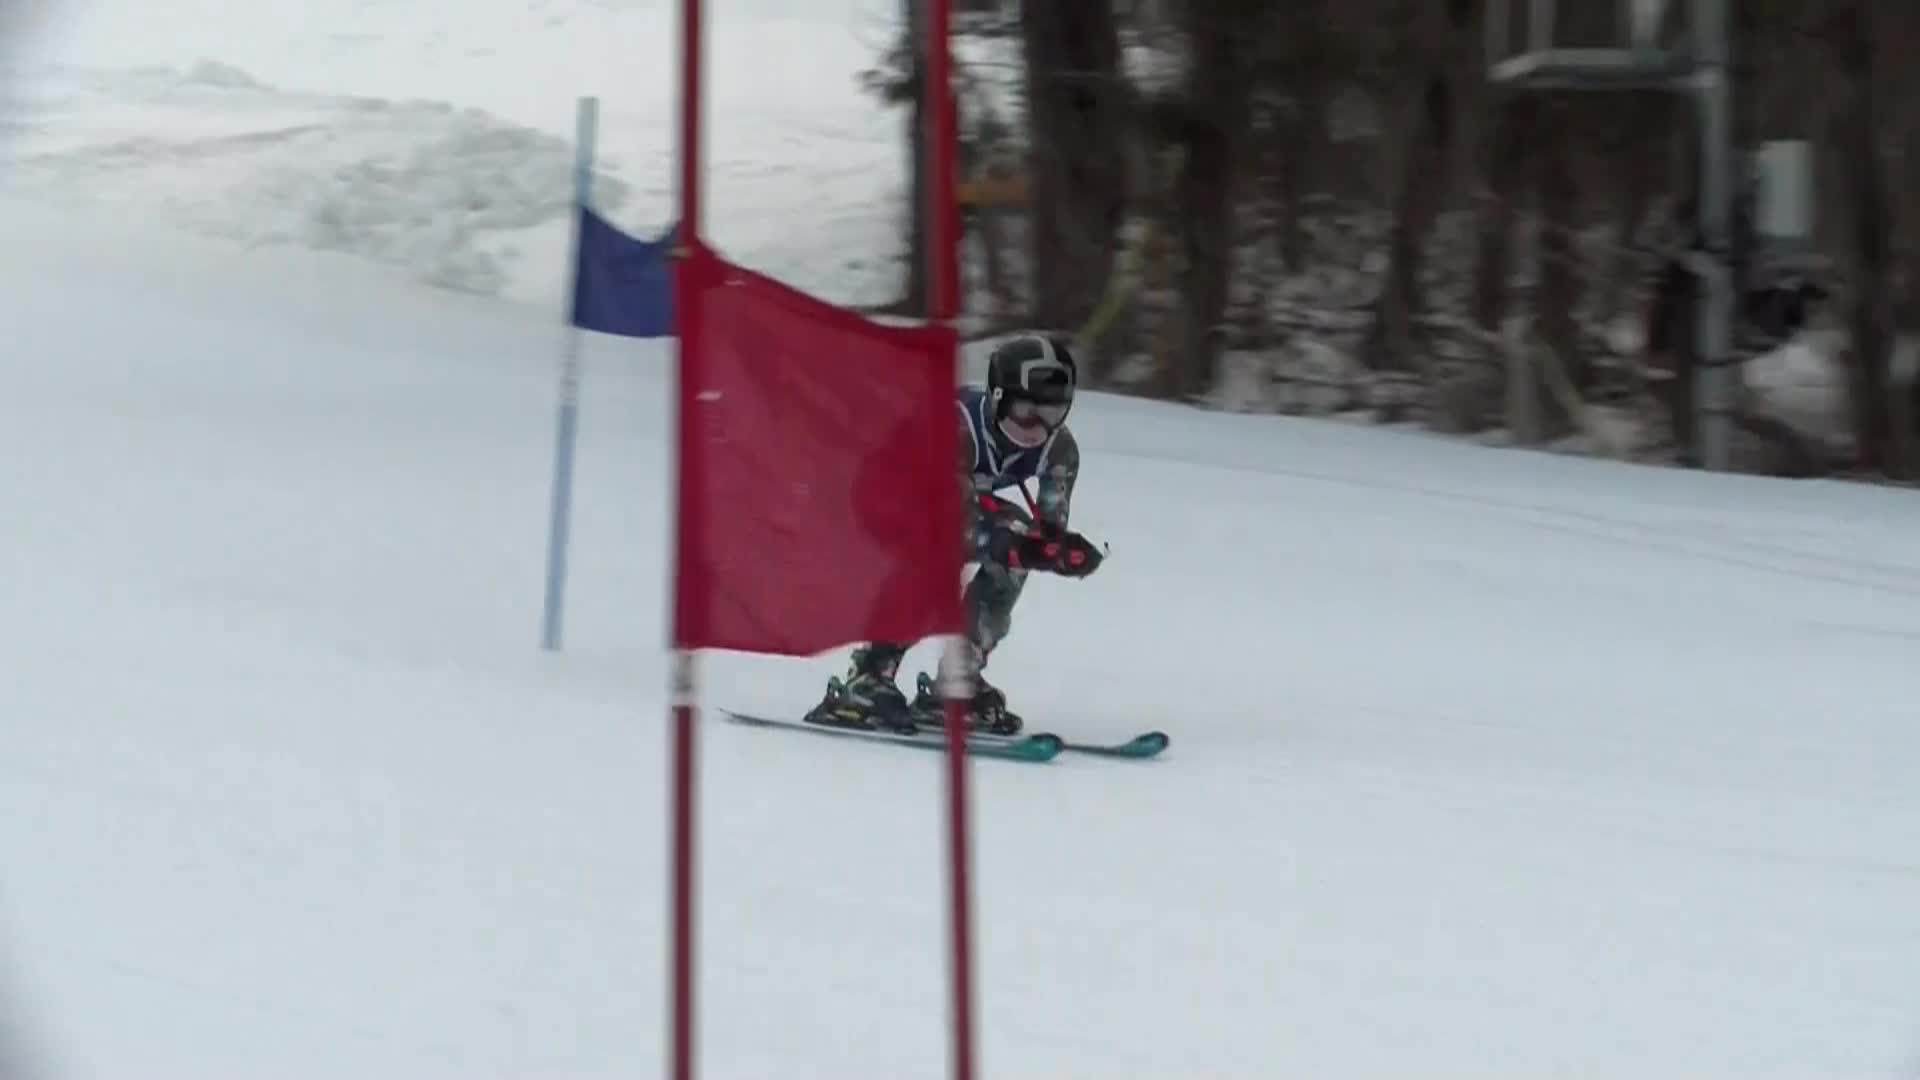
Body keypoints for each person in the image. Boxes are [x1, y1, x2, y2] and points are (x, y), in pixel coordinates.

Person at [806, 331, 1105, 735]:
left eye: (1053, 413)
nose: (1038, 427)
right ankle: (869, 675)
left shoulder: (1059, 449)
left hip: (962, 503)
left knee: (1013, 544)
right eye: (1025, 411)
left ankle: (959, 675)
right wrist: (1017, 547)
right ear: (998, 398)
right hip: (888, 495)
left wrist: (1061, 552)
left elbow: (1043, 532)